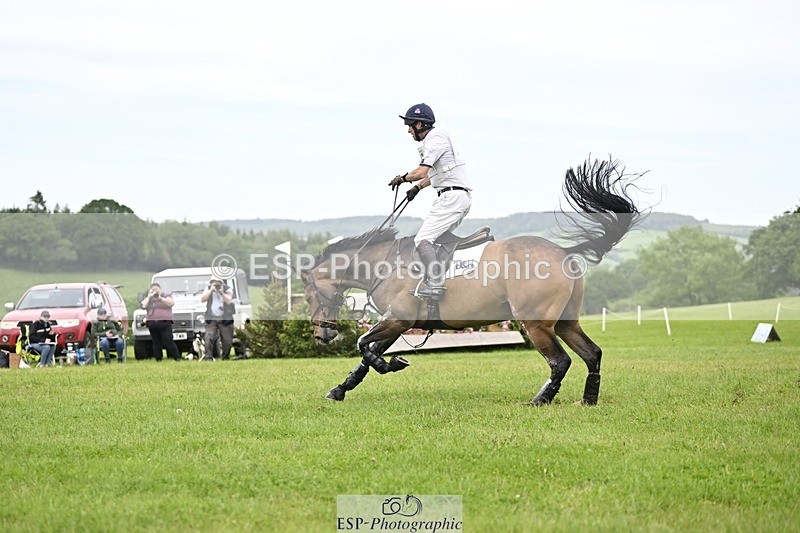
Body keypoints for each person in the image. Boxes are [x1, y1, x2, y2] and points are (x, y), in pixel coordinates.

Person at [388, 103, 473, 301]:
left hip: (451, 198)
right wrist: (417, 188)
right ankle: (450, 276)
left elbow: (420, 172)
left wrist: (402, 178)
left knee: (422, 240)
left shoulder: (434, 139)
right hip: (457, 196)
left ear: (419, 123)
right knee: (438, 238)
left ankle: (436, 285)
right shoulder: (437, 139)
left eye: (410, 125)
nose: (408, 130)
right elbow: (436, 174)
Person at [141, 282, 181, 362]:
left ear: (160, 289)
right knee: (156, 342)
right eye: (153, 290)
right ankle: (158, 359)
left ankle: (176, 358)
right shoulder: (149, 298)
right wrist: (149, 297)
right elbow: (143, 306)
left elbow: (171, 303)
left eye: (157, 289)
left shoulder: (165, 295)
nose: (155, 291)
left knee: (168, 341)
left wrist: (160, 298)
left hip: (165, 323)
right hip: (152, 323)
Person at [200, 277, 235, 361]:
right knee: (208, 337)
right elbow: (202, 299)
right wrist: (210, 291)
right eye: (214, 283)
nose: (216, 285)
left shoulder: (227, 289)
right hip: (211, 318)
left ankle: (225, 357)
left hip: (225, 319)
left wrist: (221, 292)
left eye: (217, 283)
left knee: (227, 340)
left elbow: (228, 300)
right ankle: (208, 357)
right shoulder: (208, 289)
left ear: (221, 283)